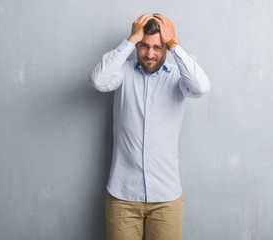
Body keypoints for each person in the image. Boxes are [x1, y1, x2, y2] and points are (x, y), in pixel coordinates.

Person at [90, 13, 210, 240]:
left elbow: (201, 87)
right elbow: (98, 81)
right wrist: (130, 40)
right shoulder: (123, 73)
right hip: (122, 197)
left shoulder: (177, 77)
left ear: (165, 47)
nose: (149, 54)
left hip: (166, 199)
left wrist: (174, 43)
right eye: (144, 46)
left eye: (157, 47)